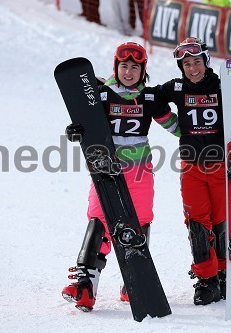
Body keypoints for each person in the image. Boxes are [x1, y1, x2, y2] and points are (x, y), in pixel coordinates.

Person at [62, 42, 180, 312]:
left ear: (143, 70)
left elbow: (177, 128)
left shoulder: (150, 99)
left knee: (140, 220)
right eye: (124, 66)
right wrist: (75, 130)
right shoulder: (103, 94)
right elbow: (86, 124)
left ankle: (136, 280)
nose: (129, 71)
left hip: (140, 171)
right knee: (100, 218)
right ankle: (85, 285)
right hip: (107, 167)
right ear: (116, 67)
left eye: (135, 67)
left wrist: (210, 129)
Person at [156, 37, 231, 306]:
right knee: (197, 223)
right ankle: (206, 280)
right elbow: (150, 99)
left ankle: (225, 275)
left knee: (221, 223)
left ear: (205, 61)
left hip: (222, 167)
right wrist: (174, 127)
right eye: (186, 64)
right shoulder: (177, 87)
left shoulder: (223, 86)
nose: (192, 68)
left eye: (196, 62)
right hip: (191, 167)